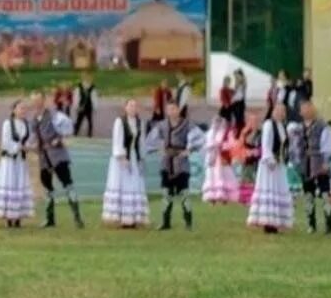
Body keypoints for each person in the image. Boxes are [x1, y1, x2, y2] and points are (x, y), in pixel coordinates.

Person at [29, 90, 83, 229]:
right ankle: (50, 218)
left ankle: (77, 217)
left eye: (39, 100)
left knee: (67, 184)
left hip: (58, 155)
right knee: (48, 187)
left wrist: (59, 140)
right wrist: (32, 146)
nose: (37, 104)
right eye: (34, 101)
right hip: (44, 157)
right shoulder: (34, 119)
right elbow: (33, 138)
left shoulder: (55, 116)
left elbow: (67, 129)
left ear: (44, 101)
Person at [148, 99, 203, 230]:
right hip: (167, 161)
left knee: (184, 193)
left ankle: (188, 222)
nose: (172, 111)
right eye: (169, 109)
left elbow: (200, 137)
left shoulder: (187, 124)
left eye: (174, 109)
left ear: (178, 110)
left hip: (181, 162)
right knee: (166, 193)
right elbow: (150, 139)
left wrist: (189, 150)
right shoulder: (162, 125)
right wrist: (158, 149)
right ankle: (166, 221)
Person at [291, 99, 331, 234]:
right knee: (308, 195)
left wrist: (326, 162)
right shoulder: (298, 128)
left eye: (309, 108)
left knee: (325, 194)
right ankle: (311, 224)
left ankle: (329, 224)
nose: (306, 111)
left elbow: (328, 145)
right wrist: (296, 162)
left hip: (319, 163)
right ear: (300, 112)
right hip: (305, 165)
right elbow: (295, 147)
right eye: (304, 109)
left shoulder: (322, 126)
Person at [247, 101, 294, 234]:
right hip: (269, 165)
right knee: (270, 190)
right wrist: (270, 159)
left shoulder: (282, 126)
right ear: (273, 111)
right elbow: (266, 144)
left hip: (279, 164)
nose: (281, 113)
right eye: (278, 110)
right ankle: (268, 222)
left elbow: (284, 146)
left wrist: (285, 159)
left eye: (283, 111)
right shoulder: (269, 124)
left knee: (279, 190)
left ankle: (277, 220)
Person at [102, 98, 149, 229]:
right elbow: (117, 140)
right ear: (125, 107)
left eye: (135, 106)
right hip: (122, 158)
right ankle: (122, 217)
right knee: (123, 185)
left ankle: (133, 217)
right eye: (130, 106)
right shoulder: (120, 122)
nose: (133, 108)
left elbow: (141, 141)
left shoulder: (140, 123)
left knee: (134, 185)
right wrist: (121, 157)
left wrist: (142, 157)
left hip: (134, 157)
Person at [0, 100, 34, 226]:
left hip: (21, 161)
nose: (23, 111)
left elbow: (29, 139)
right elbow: (6, 142)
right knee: (10, 184)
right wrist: (18, 147)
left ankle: (18, 218)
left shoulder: (26, 124)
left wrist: (28, 146)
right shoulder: (8, 124)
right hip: (9, 161)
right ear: (14, 110)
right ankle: (9, 219)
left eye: (24, 109)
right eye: (21, 108)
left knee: (19, 185)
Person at [201, 113, 238, 205]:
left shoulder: (226, 132)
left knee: (224, 176)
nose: (217, 123)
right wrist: (211, 146)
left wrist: (222, 146)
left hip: (222, 158)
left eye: (219, 121)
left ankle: (224, 197)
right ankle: (211, 198)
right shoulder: (209, 133)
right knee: (211, 176)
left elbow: (232, 144)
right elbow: (204, 145)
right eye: (215, 121)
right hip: (211, 158)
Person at [72, 73, 97, 138]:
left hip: (89, 107)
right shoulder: (79, 87)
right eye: (85, 78)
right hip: (81, 107)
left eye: (88, 79)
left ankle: (89, 133)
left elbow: (94, 98)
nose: (87, 80)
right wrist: (76, 106)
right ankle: (75, 132)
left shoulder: (92, 87)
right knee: (79, 120)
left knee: (90, 121)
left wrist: (95, 107)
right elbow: (76, 97)